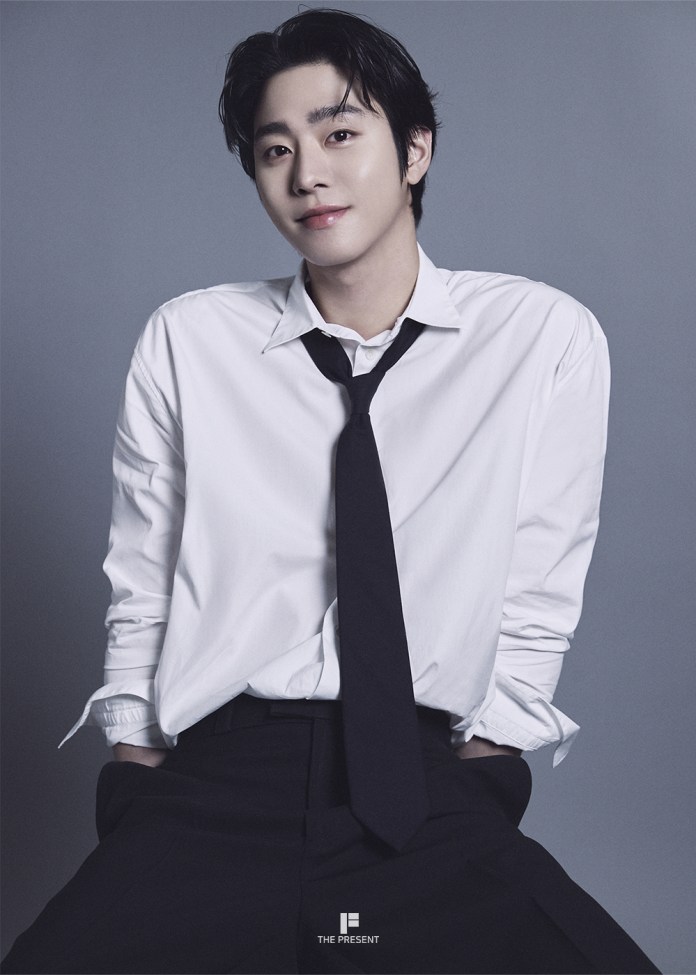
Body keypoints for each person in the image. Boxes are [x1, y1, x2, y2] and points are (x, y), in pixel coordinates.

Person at [2, 8, 660, 974]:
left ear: (416, 149)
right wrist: (137, 770)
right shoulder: (192, 340)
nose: (307, 173)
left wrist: (477, 775)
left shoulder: (541, 335)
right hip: (218, 782)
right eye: (276, 149)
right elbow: (142, 578)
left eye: (340, 133)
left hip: (422, 782)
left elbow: (538, 585)